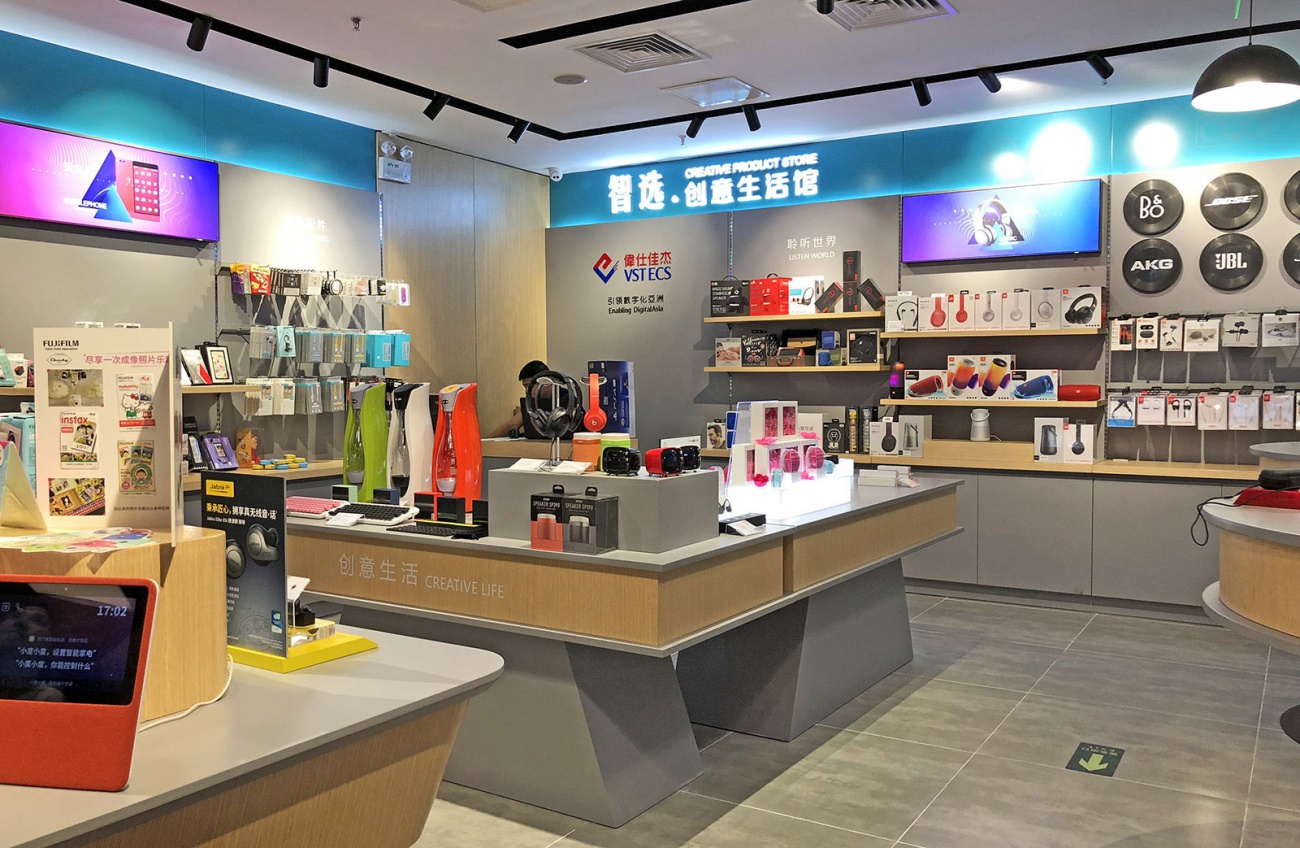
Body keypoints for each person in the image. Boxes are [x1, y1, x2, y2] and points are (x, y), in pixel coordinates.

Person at [486, 360, 550, 438]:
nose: (526, 391)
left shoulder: (563, 397)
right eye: (525, 387)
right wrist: (483, 442)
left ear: (546, 382)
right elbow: (511, 424)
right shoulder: (531, 402)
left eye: (529, 386)